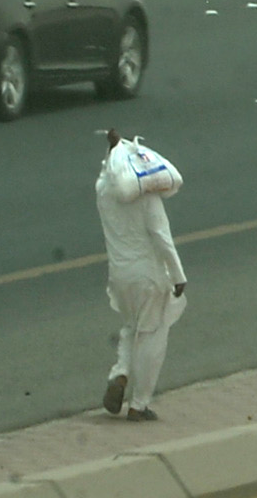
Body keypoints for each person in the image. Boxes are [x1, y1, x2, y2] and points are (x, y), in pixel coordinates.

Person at [93, 127, 185, 422]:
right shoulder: (146, 198)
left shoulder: (104, 193)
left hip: (119, 276)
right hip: (149, 276)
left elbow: (114, 172)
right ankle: (139, 404)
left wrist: (115, 147)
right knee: (152, 335)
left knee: (130, 327)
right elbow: (162, 238)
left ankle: (120, 373)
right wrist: (178, 275)